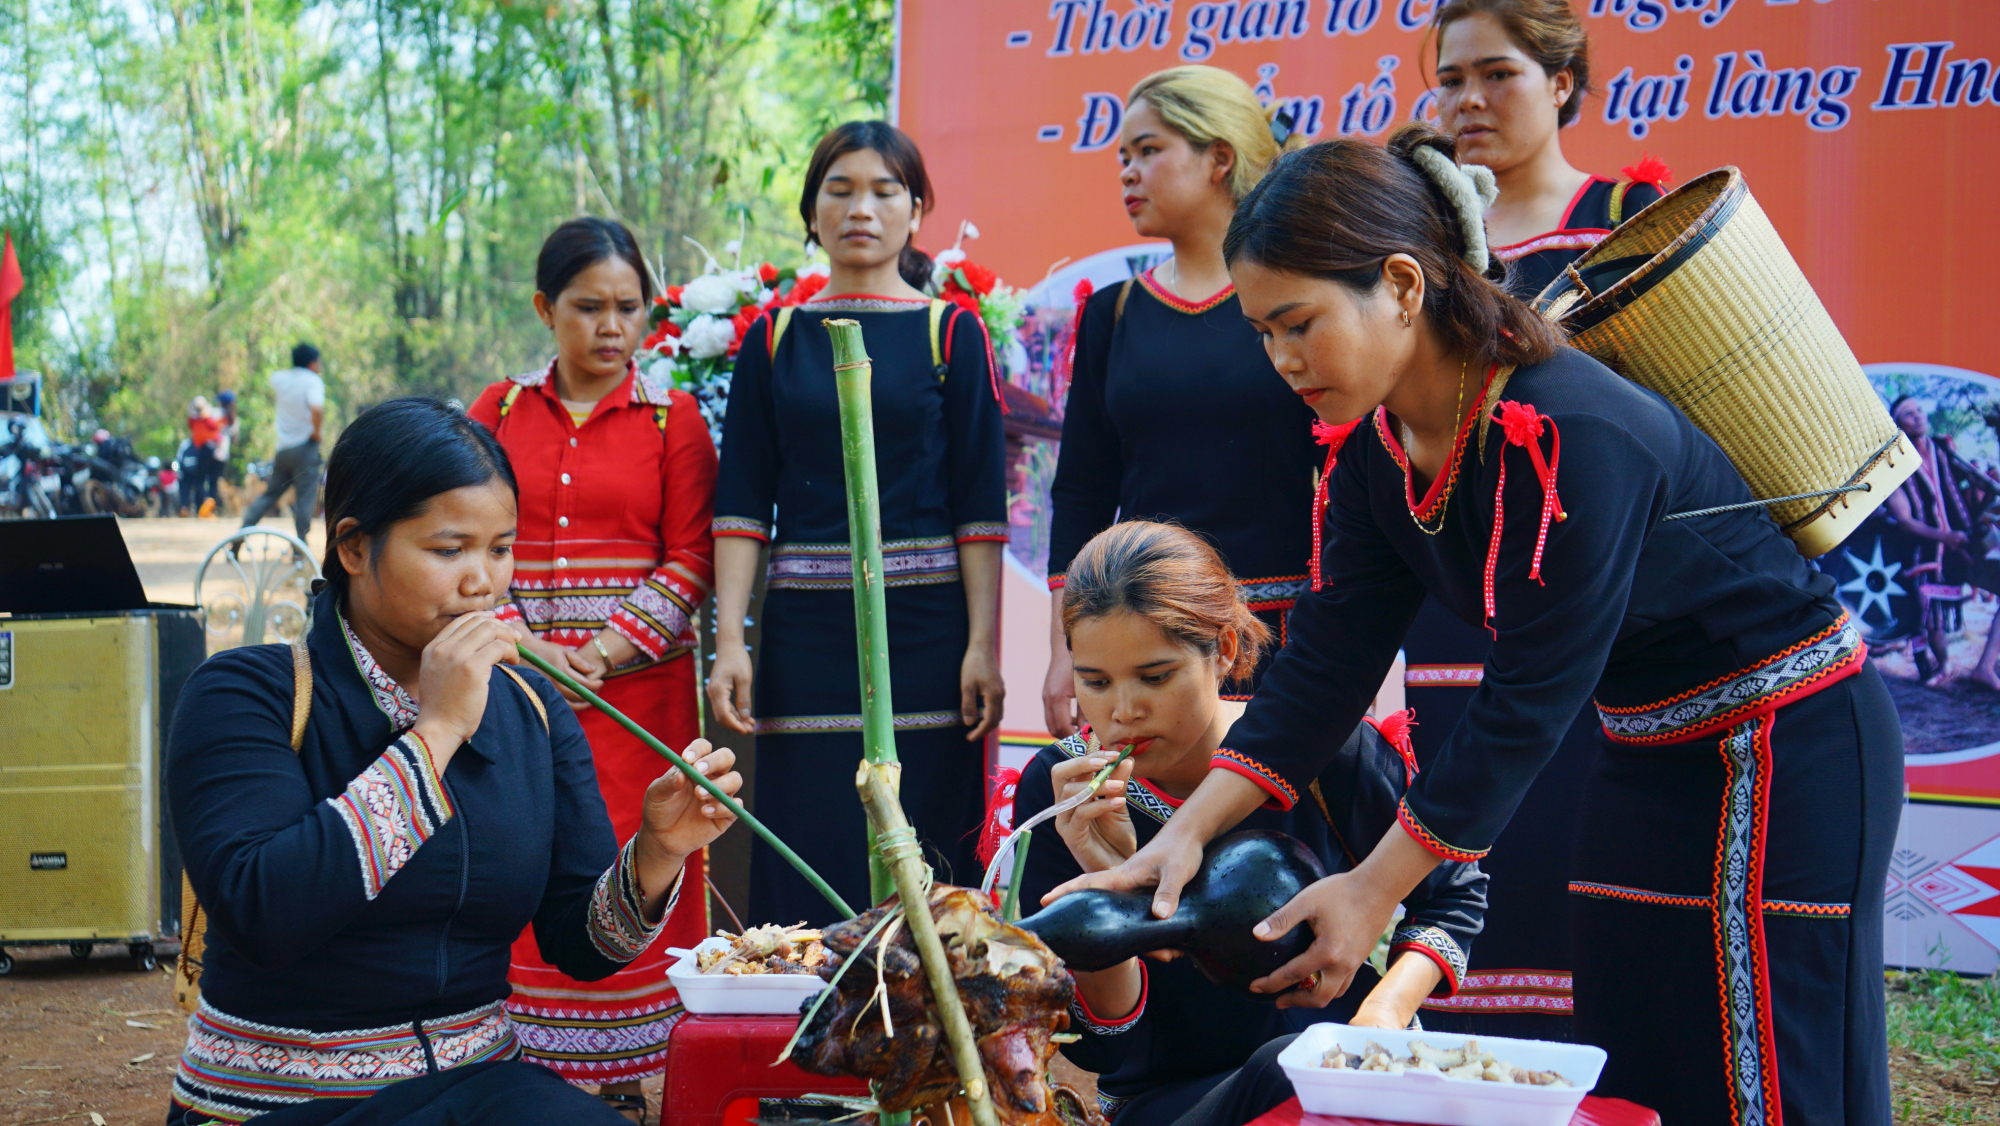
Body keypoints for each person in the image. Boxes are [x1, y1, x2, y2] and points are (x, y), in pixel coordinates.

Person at [1055, 128, 1902, 1126]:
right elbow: (1325, 665)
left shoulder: (1572, 432)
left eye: (1298, 323)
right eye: (1261, 334)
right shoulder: (1373, 449)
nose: (1282, 359)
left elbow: (1527, 696)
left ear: (1404, 286)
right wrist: (1182, 836)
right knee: (1645, 1052)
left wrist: (1372, 890)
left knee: (1766, 1064)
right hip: (1642, 749)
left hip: (1781, 744)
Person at [164, 397, 743, 1126]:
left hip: (480, 1087)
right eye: (449, 550)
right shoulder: (247, 693)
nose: (484, 582)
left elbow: (582, 945)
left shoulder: (531, 708)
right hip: (285, 1101)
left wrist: (657, 853)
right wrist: (435, 732)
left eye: (501, 548)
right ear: (353, 548)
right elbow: (265, 913)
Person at [1014, 520, 1485, 1126]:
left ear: (1225, 651)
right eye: (1095, 682)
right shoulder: (1062, 792)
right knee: (1279, 1068)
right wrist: (1115, 896)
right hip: (1176, 1103)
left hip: (1352, 1076)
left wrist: (1383, 1018)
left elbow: (1453, 897)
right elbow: (1107, 1047)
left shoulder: (1325, 755)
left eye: (1155, 677)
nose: (1123, 710)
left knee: (1302, 1065)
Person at [1396, 0, 1669, 1039]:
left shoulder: (1620, 223)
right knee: (1479, 834)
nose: (1466, 100)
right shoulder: (1414, 247)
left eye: (1496, 74)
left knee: (1583, 839)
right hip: (1453, 594)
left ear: (1561, 84)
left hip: (1596, 596)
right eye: (1449, 78)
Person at [708, 120, 1008, 927]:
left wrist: (982, 644)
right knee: (810, 821)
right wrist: (733, 642)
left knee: (931, 828)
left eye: (884, 190)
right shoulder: (773, 340)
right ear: (812, 212)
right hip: (805, 633)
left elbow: (980, 508)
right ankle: (805, 1029)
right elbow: (741, 506)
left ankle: (934, 1018)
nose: (860, 208)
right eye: (839, 190)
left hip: (929, 630)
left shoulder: (953, 333)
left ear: (917, 210)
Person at [468, 217, 718, 1117]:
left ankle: (635, 1079)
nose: (611, 327)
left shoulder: (674, 419)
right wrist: (529, 648)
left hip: (640, 704)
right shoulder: (497, 411)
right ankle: (527, 1071)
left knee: (639, 857)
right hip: (516, 693)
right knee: (527, 853)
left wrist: (602, 652)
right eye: (588, 307)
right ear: (545, 309)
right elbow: (465, 537)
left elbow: (689, 558)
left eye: (628, 308)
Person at [1043, 65, 1320, 736]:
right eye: (1122, 157)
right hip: (1139, 648)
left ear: (1219, 157)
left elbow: (1342, 470)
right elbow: (1083, 489)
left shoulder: (1295, 300)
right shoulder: (1114, 314)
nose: (1127, 173)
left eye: (1148, 150)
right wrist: (1065, 650)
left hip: (1284, 635)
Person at [1886, 394, 2000, 691]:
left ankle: (1985, 668)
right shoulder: (1893, 464)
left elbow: (1978, 481)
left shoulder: (1943, 449)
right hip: (1928, 552)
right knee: (1932, 620)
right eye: (1908, 414)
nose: (1918, 416)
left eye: (1919, 410)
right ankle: (1945, 664)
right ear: (1897, 424)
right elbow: (1905, 520)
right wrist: (1944, 536)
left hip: (1966, 545)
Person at [241, 343, 328, 540]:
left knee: (269, 496)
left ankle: (239, 538)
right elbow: (317, 409)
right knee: (305, 497)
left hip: (283, 450)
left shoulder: (280, 379)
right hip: (305, 448)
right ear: (312, 363)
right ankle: (299, 547)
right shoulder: (313, 381)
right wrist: (316, 433)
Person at [185, 395, 222, 516]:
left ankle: (208, 501)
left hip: (207, 450)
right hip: (204, 450)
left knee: (201, 479)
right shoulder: (195, 420)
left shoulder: (207, 420)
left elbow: (215, 428)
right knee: (205, 479)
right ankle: (207, 505)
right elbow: (190, 422)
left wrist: (205, 414)